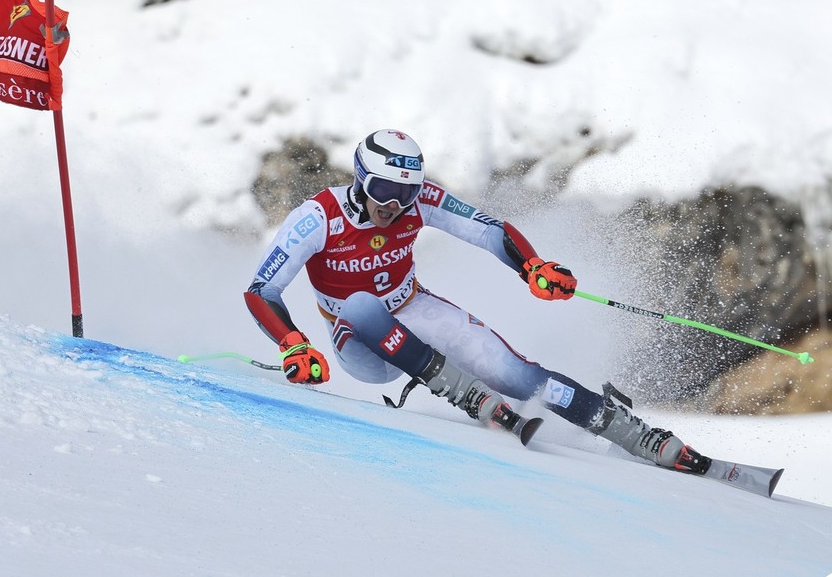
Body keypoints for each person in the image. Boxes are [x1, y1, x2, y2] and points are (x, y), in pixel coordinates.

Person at [245, 128, 709, 473]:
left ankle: (638, 436)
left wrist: (532, 267)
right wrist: (293, 343)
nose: (393, 204)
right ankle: (466, 394)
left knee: (519, 375)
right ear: (362, 181)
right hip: (360, 343)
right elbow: (261, 290)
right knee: (362, 303)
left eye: (405, 193)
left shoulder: (420, 200)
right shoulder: (317, 218)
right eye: (383, 190)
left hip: (413, 309)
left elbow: (490, 230)